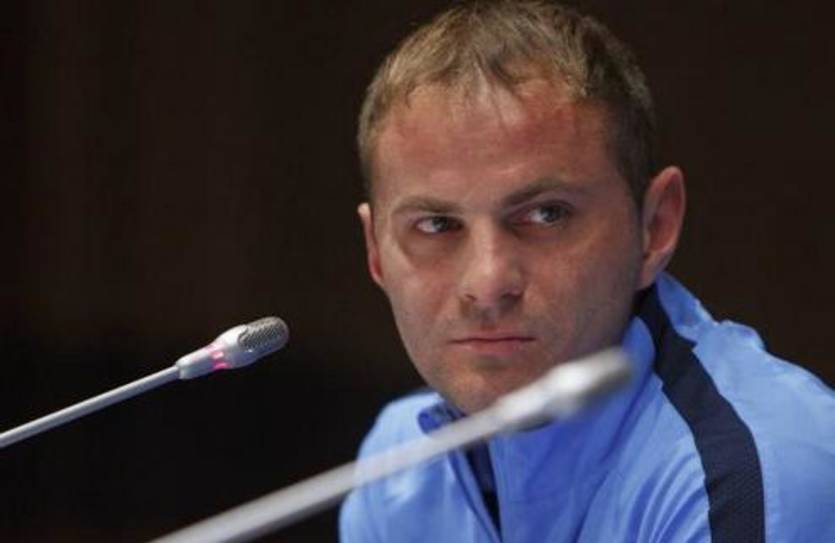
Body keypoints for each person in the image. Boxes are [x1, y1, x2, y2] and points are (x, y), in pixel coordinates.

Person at [339, 1, 835, 541]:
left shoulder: (745, 478)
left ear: (655, 226)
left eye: (546, 214)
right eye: (437, 225)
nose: (487, 283)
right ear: (375, 251)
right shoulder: (398, 472)